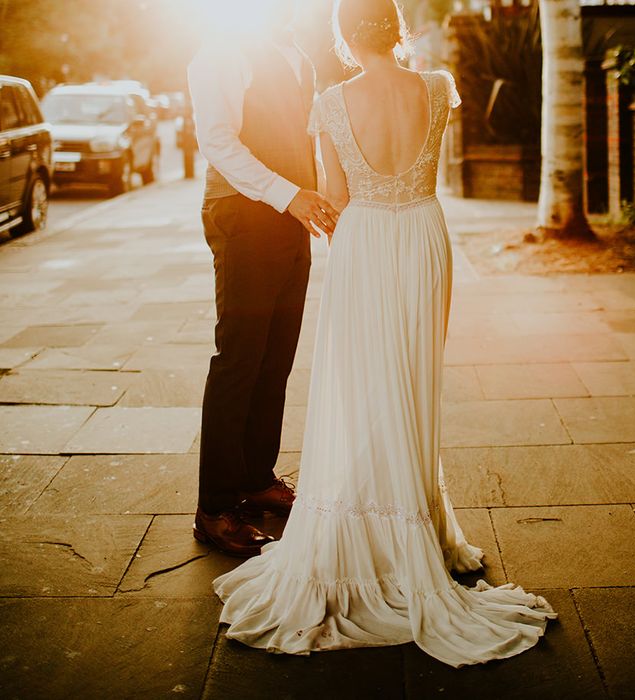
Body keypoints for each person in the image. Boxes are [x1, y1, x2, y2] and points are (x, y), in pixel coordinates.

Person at [213, 0, 556, 667]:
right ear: (397, 27)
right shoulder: (437, 88)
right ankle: (417, 523)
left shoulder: (333, 103)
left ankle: (376, 525)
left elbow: (334, 198)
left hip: (367, 244)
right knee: (412, 379)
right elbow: (425, 169)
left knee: (363, 384)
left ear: (344, 34)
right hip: (425, 238)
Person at [187, 0, 339, 557]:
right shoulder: (221, 50)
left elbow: (302, 142)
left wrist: (320, 202)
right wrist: (289, 195)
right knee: (240, 357)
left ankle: (256, 477)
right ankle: (215, 506)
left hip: (290, 218)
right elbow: (219, 143)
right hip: (243, 217)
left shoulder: (298, 54)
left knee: (277, 353)